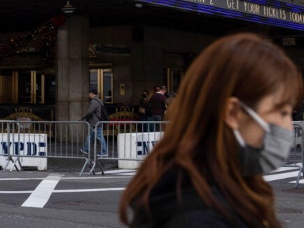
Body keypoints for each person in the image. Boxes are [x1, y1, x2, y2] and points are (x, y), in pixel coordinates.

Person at [119, 33, 302, 227]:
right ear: (233, 113)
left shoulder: (217, 187)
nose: (288, 126)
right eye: (281, 112)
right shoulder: (201, 217)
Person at [80, 88, 108, 156]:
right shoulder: (99, 100)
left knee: (99, 137)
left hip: (95, 122)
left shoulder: (94, 101)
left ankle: (104, 151)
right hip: (96, 122)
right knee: (91, 136)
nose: (88, 94)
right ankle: (85, 149)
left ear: (92, 93)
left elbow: (90, 112)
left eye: (89, 93)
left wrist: (82, 117)